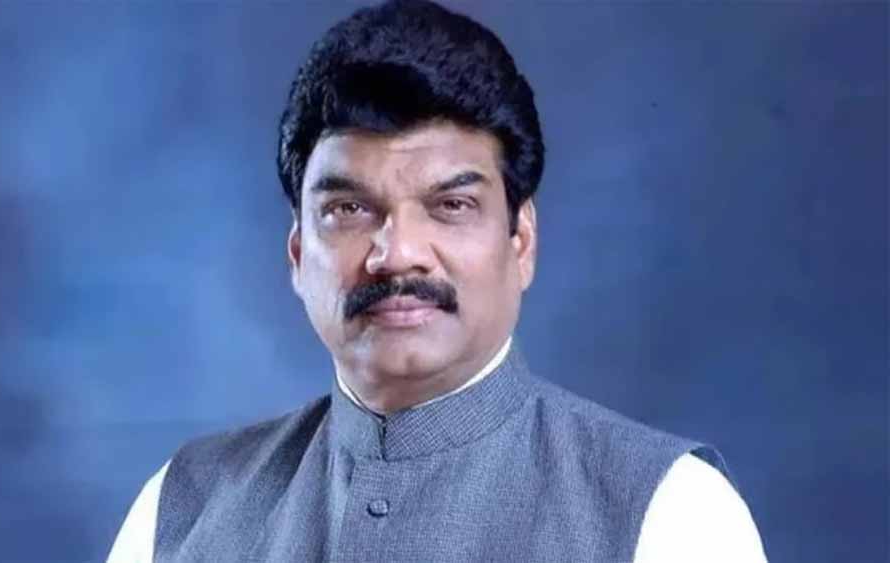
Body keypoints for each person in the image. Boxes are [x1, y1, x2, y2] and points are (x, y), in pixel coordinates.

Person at [109, 1, 767, 561]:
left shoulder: (671, 512)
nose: (398, 255)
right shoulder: (181, 510)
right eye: (349, 209)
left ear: (521, 240)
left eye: (451, 205)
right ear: (297, 251)